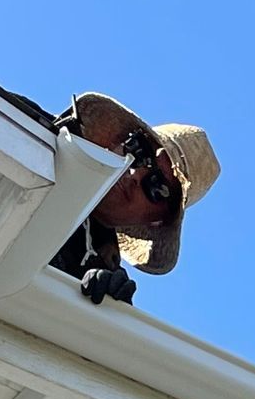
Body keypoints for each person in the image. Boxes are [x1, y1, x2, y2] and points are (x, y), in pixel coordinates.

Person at [47, 93, 222, 306]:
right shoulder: (38, 133)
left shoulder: (103, 274)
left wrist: (107, 314)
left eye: (157, 186)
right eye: (140, 151)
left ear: (157, 221)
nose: (136, 174)